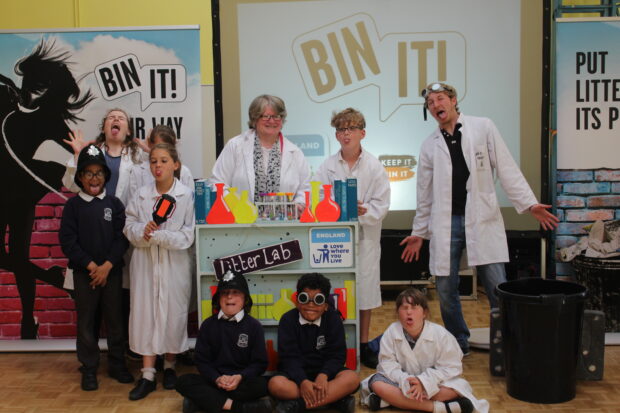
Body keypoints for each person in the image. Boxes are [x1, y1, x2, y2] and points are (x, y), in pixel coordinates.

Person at [400, 83, 559, 354]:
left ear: (453, 100)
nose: (436, 105)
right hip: (446, 223)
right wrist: (419, 232)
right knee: (446, 290)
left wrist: (529, 204)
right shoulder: (429, 146)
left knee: (497, 286)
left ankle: (509, 343)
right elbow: (424, 194)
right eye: (430, 103)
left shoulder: (482, 127)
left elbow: (506, 167)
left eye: (440, 99)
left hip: (481, 219)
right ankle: (458, 343)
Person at [315, 108, 390, 368]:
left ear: (362, 133)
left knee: (365, 293)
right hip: (335, 240)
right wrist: (334, 208)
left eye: (351, 129)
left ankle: (363, 344)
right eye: (341, 130)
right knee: (337, 292)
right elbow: (317, 197)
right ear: (336, 135)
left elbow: (382, 205)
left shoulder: (374, 166)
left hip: (365, 240)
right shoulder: (327, 165)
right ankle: (338, 344)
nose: (345, 134)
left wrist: (363, 210)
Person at [123, 143, 195, 400]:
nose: (158, 166)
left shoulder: (186, 195)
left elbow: (187, 236)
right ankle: (148, 373)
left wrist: (160, 236)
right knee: (145, 314)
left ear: (175, 164)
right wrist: (141, 233)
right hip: (144, 263)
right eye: (153, 161)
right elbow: (128, 226)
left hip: (174, 265)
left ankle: (170, 366)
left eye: (164, 161)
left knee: (173, 313)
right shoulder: (141, 195)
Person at [59, 144, 133, 391]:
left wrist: (106, 266)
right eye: (88, 173)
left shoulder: (114, 204)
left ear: (106, 176)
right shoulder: (73, 207)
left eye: (99, 173)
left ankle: (117, 364)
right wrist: (92, 266)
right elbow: (68, 241)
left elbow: (121, 238)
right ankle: (89, 367)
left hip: (111, 273)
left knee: (115, 320)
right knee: (87, 322)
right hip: (84, 274)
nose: (94, 178)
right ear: (80, 177)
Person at [360, 288, 488, 413]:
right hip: (401, 382)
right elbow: (387, 365)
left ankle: (389, 401)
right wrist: (406, 381)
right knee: (377, 383)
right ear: (398, 312)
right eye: (404, 308)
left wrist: (423, 382)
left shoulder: (441, 334)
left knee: (454, 389)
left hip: (433, 384)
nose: (409, 312)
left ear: (424, 313)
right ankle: (439, 408)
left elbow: (451, 367)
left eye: (414, 307)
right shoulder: (391, 332)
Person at [175, 271, 272, 413]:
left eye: (235, 292)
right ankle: (239, 408)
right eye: (224, 292)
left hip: (242, 382)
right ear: (218, 299)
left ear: (245, 298)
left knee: (264, 385)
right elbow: (202, 361)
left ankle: (203, 403)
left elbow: (260, 363)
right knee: (183, 381)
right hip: (215, 382)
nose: (229, 296)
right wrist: (217, 379)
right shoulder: (208, 325)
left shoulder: (254, 326)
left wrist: (240, 377)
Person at [268, 273, 360, 413]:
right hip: (296, 376)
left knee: (352, 378)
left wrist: (324, 375)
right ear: (297, 302)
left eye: (318, 300)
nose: (311, 305)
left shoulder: (333, 319)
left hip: (326, 376)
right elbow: (288, 358)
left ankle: (298, 405)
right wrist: (302, 381)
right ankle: (333, 400)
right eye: (304, 299)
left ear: (326, 305)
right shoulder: (287, 320)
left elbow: (337, 355)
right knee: (276, 385)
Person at [209, 94, 311, 205]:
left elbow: (306, 188)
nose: (272, 121)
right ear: (255, 119)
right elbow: (218, 182)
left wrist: (299, 204)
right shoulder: (235, 145)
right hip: (241, 220)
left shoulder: (295, 152)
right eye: (266, 116)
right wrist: (236, 206)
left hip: (284, 220)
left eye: (277, 116)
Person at [129, 125, 194, 197]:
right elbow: (132, 203)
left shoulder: (184, 172)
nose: (162, 151)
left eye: (167, 147)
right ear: (150, 144)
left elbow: (191, 202)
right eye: (159, 146)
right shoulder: (137, 172)